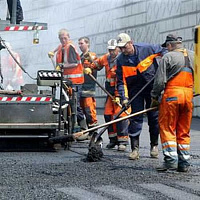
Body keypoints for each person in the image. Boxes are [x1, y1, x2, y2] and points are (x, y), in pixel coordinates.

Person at [116, 33, 166, 159]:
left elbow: (164, 51)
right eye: (120, 48)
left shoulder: (146, 49)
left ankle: (154, 146)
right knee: (135, 118)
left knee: (154, 118)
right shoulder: (121, 60)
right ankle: (135, 149)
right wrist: (124, 98)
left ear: (131, 43)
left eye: (124, 47)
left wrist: (164, 67)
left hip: (152, 88)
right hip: (135, 90)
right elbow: (121, 82)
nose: (123, 50)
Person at [151, 34, 194, 172]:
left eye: (167, 47)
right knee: (183, 130)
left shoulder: (168, 57)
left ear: (170, 45)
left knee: (167, 127)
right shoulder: (194, 55)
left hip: (172, 95)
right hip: (188, 96)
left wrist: (154, 97)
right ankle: (184, 163)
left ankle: (170, 161)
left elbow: (159, 81)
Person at [86, 39, 130, 151]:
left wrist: (120, 96)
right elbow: (97, 64)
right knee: (107, 114)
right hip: (109, 91)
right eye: (110, 50)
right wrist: (89, 67)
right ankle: (113, 139)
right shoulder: (105, 58)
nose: (111, 52)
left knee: (120, 115)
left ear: (118, 49)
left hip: (120, 91)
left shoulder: (122, 60)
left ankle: (123, 141)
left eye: (113, 50)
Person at [51, 28, 87, 132]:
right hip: (67, 82)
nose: (63, 40)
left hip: (75, 81)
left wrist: (61, 66)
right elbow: (58, 48)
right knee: (66, 103)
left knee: (74, 104)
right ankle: (70, 127)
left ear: (69, 37)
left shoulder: (70, 47)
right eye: (61, 38)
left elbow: (75, 63)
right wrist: (52, 52)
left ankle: (83, 127)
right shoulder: (62, 46)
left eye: (65, 38)